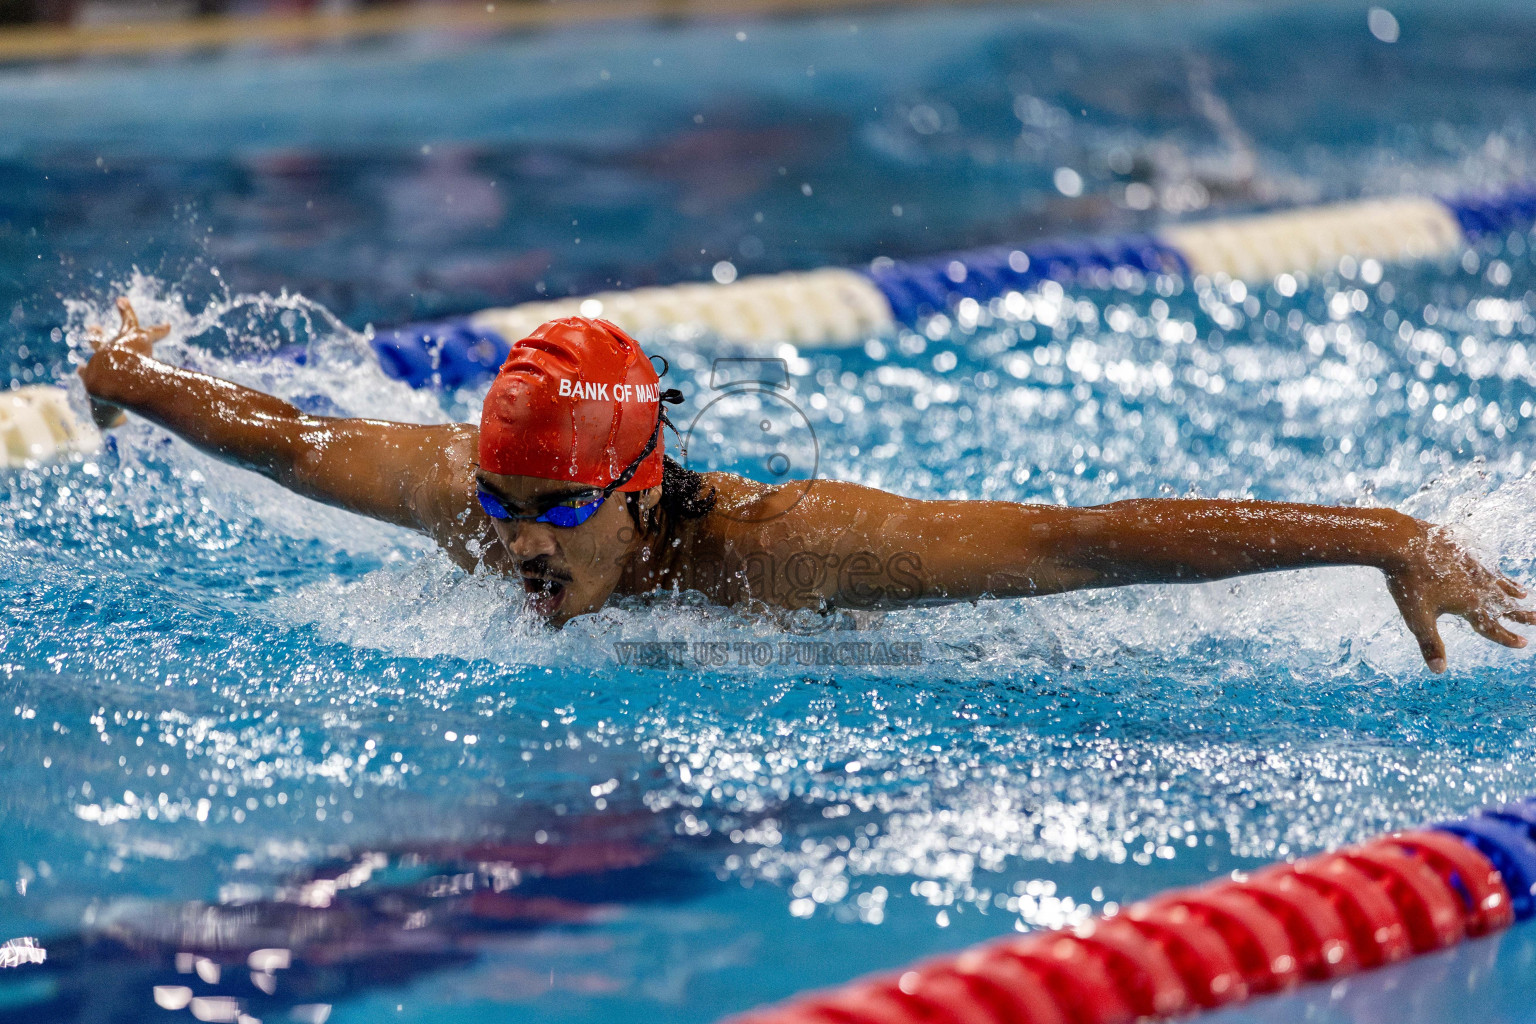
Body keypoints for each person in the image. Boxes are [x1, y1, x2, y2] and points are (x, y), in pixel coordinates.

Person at [79, 298, 1533, 671]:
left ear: (644, 489)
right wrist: (136, 378)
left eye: (557, 511)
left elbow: (1080, 541)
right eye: (503, 505)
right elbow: (276, 435)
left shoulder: (789, 551)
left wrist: (1383, 536)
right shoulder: (481, 499)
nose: (516, 542)